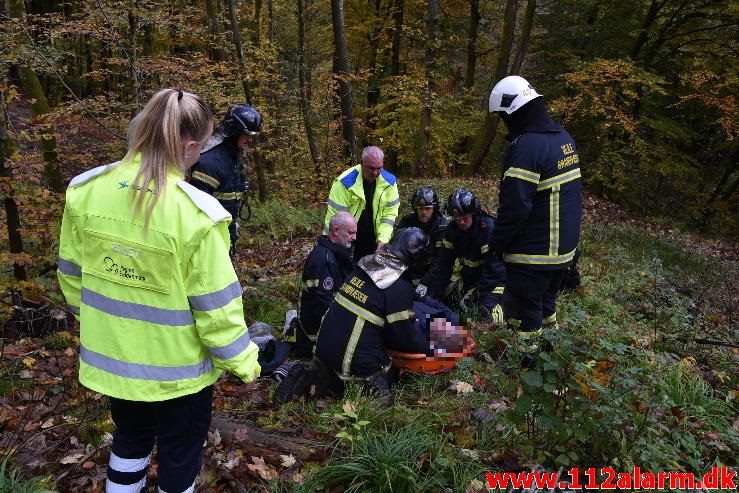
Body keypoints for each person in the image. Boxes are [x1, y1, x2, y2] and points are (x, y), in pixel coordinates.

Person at [57, 89, 261, 493]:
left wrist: (110, 326)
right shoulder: (196, 215)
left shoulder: (86, 191)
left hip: (116, 363)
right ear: (188, 147)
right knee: (179, 456)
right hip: (179, 375)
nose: (201, 155)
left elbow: (71, 277)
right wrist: (246, 365)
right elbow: (217, 311)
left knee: (130, 441)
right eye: (201, 148)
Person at [274, 228, 429, 405]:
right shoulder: (399, 286)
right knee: (390, 375)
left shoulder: (365, 266)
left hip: (323, 350)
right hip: (352, 362)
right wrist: (429, 346)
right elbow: (404, 338)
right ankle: (356, 395)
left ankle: (318, 376)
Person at [486, 75, 582, 362]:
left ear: (513, 111)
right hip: (563, 252)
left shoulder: (526, 148)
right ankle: (550, 356)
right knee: (547, 305)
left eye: (503, 116)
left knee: (524, 312)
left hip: (534, 253)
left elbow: (515, 208)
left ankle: (527, 367)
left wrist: (497, 244)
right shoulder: (563, 138)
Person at [189, 103, 263, 257]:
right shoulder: (211, 163)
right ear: (234, 131)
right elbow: (197, 213)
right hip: (210, 244)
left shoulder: (233, 159)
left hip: (224, 237)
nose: (250, 140)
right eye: (246, 134)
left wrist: (232, 223)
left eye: (252, 135)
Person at [427, 188, 506, 322]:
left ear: (473, 213)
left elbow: (493, 271)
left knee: (484, 314)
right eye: (457, 219)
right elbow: (443, 266)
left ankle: (502, 310)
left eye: (465, 218)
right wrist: (434, 298)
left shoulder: (487, 230)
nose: (461, 222)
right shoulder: (452, 231)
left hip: (497, 281)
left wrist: (476, 295)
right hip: (471, 279)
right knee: (447, 297)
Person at [286, 211, 357, 357]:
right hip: (316, 333)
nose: (354, 237)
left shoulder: (338, 254)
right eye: (350, 233)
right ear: (336, 231)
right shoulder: (323, 259)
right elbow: (322, 304)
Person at [324, 146, 400, 261]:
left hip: (374, 238)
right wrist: (332, 248)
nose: (375, 173)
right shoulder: (344, 183)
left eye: (379, 168)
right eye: (371, 168)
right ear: (361, 163)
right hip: (347, 237)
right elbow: (335, 220)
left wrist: (383, 240)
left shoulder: (389, 183)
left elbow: (388, 216)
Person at [396, 187, 449, 290]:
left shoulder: (441, 226)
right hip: (408, 267)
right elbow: (396, 249)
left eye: (428, 208)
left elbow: (440, 260)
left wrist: (425, 282)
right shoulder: (407, 223)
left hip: (432, 270)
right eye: (420, 209)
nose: (424, 212)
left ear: (434, 208)